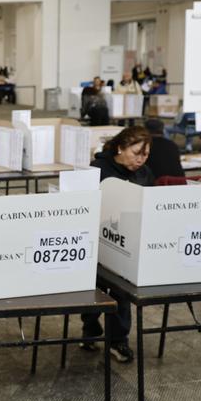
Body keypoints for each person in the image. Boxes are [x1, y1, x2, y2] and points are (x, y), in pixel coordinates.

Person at [83, 126, 154, 363]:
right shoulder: (97, 170)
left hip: (128, 244)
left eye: (145, 155)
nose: (141, 160)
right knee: (93, 290)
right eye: (136, 153)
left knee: (121, 291)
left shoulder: (145, 174)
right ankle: (90, 330)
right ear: (120, 148)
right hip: (97, 241)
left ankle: (117, 341)